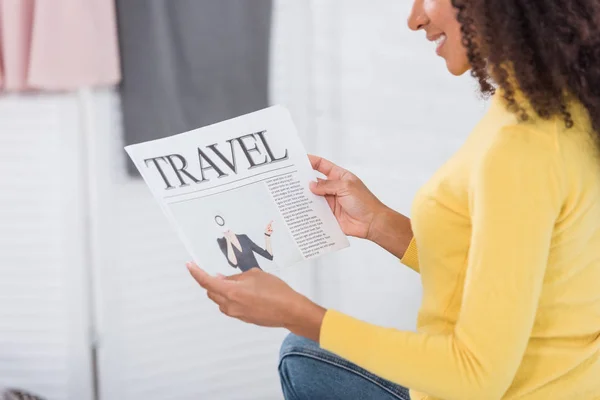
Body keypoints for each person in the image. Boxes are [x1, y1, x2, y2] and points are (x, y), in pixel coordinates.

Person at [187, 0, 600, 398]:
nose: (414, 19)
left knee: (300, 354)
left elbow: (475, 376)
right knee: (306, 358)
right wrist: (379, 224)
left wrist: (294, 312)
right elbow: (526, 275)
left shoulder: (522, 147)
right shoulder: (564, 108)